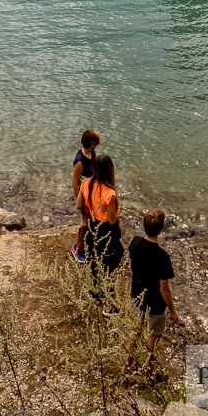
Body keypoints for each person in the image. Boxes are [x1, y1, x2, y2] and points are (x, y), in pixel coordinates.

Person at [128, 209, 178, 367]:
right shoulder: (162, 256)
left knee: (136, 329)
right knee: (155, 333)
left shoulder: (135, 242)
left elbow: (132, 266)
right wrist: (173, 311)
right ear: (161, 229)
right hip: (155, 302)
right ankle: (147, 365)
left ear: (144, 226)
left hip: (137, 294)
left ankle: (128, 361)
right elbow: (164, 289)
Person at [76, 154, 123, 300]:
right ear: (109, 170)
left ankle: (94, 290)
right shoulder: (110, 193)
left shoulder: (86, 183)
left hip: (91, 225)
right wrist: (119, 209)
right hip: (106, 230)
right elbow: (112, 220)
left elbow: (78, 205)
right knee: (112, 258)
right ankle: (106, 295)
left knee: (94, 257)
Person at [71, 129, 101, 263]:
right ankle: (77, 249)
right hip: (83, 196)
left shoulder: (91, 153)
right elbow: (75, 183)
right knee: (84, 223)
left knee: (90, 222)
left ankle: (82, 245)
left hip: (91, 193)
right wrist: (80, 201)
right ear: (93, 143)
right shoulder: (80, 161)